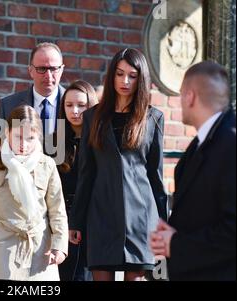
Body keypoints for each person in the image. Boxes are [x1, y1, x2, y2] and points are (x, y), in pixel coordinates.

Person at [69, 48, 168, 281]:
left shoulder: (154, 118)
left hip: (141, 218)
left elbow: (156, 177)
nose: (125, 81)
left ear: (141, 79)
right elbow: (86, 173)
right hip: (100, 215)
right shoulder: (92, 117)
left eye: (132, 76)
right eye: (120, 74)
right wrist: (77, 221)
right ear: (111, 75)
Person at [150, 61, 236, 281]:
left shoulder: (230, 142)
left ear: (189, 96)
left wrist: (175, 244)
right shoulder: (202, 142)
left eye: (181, 96)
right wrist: (169, 231)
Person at [0, 105, 68, 280]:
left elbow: (58, 210)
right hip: (0, 249)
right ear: (7, 132)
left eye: (30, 138)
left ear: (38, 137)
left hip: (39, 250)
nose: (23, 144)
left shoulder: (47, 164)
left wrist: (59, 246)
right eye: (18, 136)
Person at [54, 80, 98, 281]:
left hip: (93, 221)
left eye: (82, 105)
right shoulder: (54, 141)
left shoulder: (100, 142)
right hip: (60, 220)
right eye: (69, 105)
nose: (75, 111)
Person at [0, 42, 65, 155]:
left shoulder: (76, 105)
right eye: (42, 69)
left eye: (54, 69)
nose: (48, 75)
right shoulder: (8, 105)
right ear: (30, 71)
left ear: (62, 69)